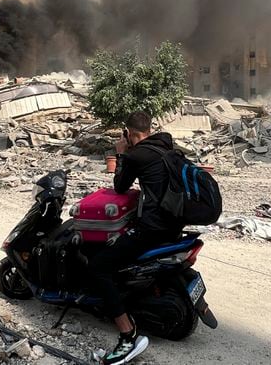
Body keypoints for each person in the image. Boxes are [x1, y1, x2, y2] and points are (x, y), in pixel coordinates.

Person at [89, 111, 183, 365]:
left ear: (130, 134)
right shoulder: (168, 149)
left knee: (99, 267)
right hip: (172, 224)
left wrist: (121, 154)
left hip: (151, 229)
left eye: (127, 136)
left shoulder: (136, 154)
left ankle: (128, 336)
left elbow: (120, 186)